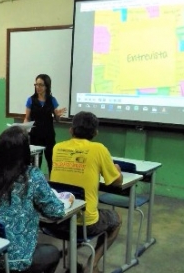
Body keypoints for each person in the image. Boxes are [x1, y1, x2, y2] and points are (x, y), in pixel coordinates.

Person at [0, 126, 66, 273]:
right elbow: (57, 212)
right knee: (52, 252)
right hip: (16, 261)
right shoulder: (32, 175)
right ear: (25, 150)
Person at [49, 111, 123, 273]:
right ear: (95, 133)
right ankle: (92, 264)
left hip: (55, 221)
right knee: (116, 219)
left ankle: (73, 254)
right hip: (84, 224)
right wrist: (117, 170)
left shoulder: (57, 148)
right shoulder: (98, 149)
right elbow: (117, 182)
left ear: (71, 130)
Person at [24, 74, 66, 175]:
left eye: (41, 85)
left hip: (49, 136)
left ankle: (52, 185)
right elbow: (27, 117)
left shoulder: (52, 100)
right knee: (35, 164)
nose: (38, 87)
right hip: (35, 136)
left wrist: (58, 115)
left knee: (51, 162)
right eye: (36, 84)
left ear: (47, 86)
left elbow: (57, 119)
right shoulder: (31, 100)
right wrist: (24, 128)